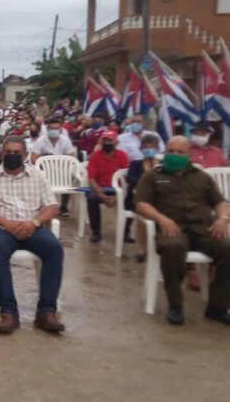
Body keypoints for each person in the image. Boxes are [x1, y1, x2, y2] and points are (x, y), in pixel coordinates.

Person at [135, 136, 230, 326]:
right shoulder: (153, 176)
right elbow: (141, 204)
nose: (175, 155)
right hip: (172, 228)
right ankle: (175, 305)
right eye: (171, 151)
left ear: (189, 155)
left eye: (180, 152)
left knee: (228, 249)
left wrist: (223, 219)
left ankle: (217, 306)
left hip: (204, 228)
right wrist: (161, 218)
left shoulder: (202, 176)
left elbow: (220, 202)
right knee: (172, 248)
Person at [0, 136, 64, 334]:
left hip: (33, 227)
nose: (12, 156)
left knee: (54, 249)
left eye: (17, 153)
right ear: (1, 154)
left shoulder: (38, 176)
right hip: (2, 228)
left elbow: (52, 206)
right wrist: (5, 223)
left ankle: (46, 312)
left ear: (25, 156)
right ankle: (9, 312)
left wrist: (34, 223)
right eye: (8, 153)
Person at [87, 131, 129, 243]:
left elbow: (126, 178)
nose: (107, 143)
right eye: (105, 140)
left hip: (119, 190)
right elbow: (91, 179)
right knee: (91, 199)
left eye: (110, 140)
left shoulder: (123, 156)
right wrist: (102, 196)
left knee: (132, 201)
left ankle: (125, 233)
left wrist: (117, 196)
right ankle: (95, 232)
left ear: (116, 142)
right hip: (100, 189)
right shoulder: (95, 156)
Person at [126, 134, 161, 262]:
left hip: (160, 199)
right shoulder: (136, 164)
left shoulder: (162, 165)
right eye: (145, 147)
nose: (148, 150)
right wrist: (148, 173)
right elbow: (131, 180)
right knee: (142, 211)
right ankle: (142, 249)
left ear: (157, 148)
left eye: (152, 147)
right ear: (141, 149)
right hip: (139, 197)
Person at [31, 117, 77, 216]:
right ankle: (43, 206)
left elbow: (72, 157)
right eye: (52, 128)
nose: (54, 131)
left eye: (57, 128)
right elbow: (33, 158)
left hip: (62, 170)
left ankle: (64, 206)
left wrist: (63, 164)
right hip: (46, 170)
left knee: (70, 175)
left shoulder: (65, 140)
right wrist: (44, 164)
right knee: (38, 175)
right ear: (47, 129)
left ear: (60, 129)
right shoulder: (41, 140)